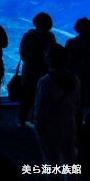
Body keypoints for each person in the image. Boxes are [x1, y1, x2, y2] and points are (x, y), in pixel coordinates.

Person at [34, 44, 80, 180]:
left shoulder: (45, 81)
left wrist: (38, 124)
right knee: (70, 158)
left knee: (51, 160)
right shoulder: (75, 79)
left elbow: (41, 107)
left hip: (50, 125)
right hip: (70, 123)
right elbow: (78, 103)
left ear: (49, 59)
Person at [18, 12, 56, 127]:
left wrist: (29, 61)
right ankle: (36, 118)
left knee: (26, 95)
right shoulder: (50, 36)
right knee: (41, 95)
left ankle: (22, 119)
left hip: (29, 69)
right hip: (44, 70)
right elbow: (53, 52)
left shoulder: (28, 36)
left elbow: (22, 52)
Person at [66, 17, 90, 122]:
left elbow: (66, 60)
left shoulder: (71, 43)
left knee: (77, 102)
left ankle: (77, 127)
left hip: (75, 76)